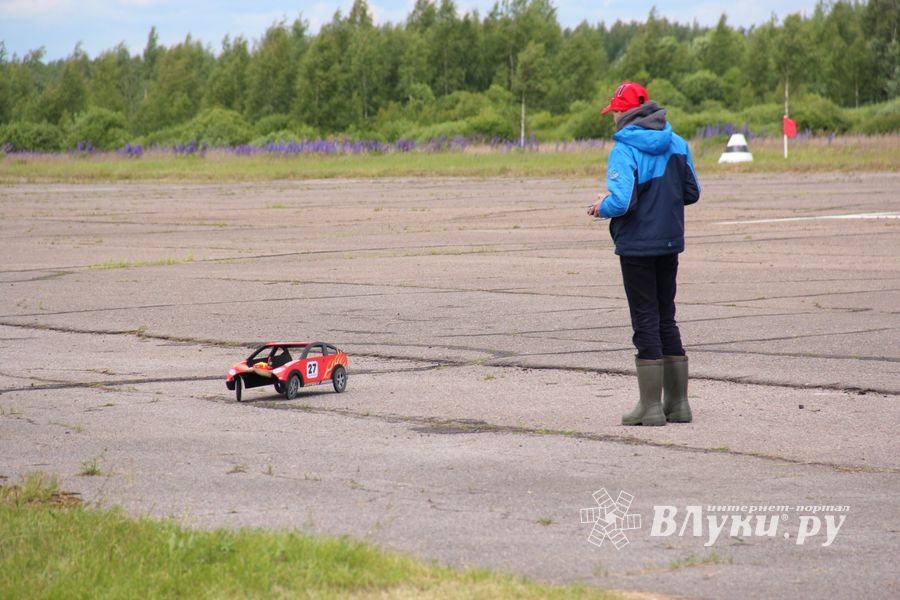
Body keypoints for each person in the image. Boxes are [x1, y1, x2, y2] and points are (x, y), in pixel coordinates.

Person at [588, 81, 700, 426]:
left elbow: (621, 201)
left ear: (624, 112)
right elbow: (692, 192)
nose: (613, 118)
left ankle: (650, 407)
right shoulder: (678, 142)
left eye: (614, 112)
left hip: (637, 245)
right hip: (669, 242)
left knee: (645, 320)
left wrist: (600, 207)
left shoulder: (623, 148)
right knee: (667, 317)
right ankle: (678, 405)